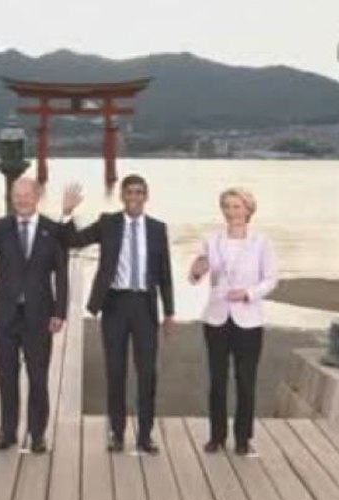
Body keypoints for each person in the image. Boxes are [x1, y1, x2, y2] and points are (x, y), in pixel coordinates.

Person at [61, 175, 175, 455]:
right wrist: (67, 213)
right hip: (115, 304)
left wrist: (169, 311)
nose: (134, 197)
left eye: (139, 192)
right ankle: (117, 433)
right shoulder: (108, 223)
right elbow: (73, 240)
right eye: (129, 192)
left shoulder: (157, 228)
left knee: (147, 373)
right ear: (122, 196)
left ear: (146, 196)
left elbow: (165, 274)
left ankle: (145, 436)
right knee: (115, 371)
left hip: (145, 306)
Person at [0, 177, 68, 454]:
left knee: (38, 377)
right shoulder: (1, 227)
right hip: (5, 315)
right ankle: (7, 431)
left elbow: (61, 274)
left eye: (26, 195)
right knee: (6, 376)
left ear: (37, 196)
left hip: (39, 315)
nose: (21, 200)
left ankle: (37, 434)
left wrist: (60, 311)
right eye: (17, 195)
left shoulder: (52, 230)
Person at [189, 187, 278, 457]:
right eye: (227, 206)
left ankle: (243, 438)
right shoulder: (211, 239)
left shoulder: (262, 242)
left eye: (237, 207)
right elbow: (195, 276)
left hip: (249, 320)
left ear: (248, 210)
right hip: (216, 317)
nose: (231, 212)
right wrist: (196, 272)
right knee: (217, 380)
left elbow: (271, 280)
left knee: (245, 380)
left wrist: (248, 293)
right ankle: (216, 436)